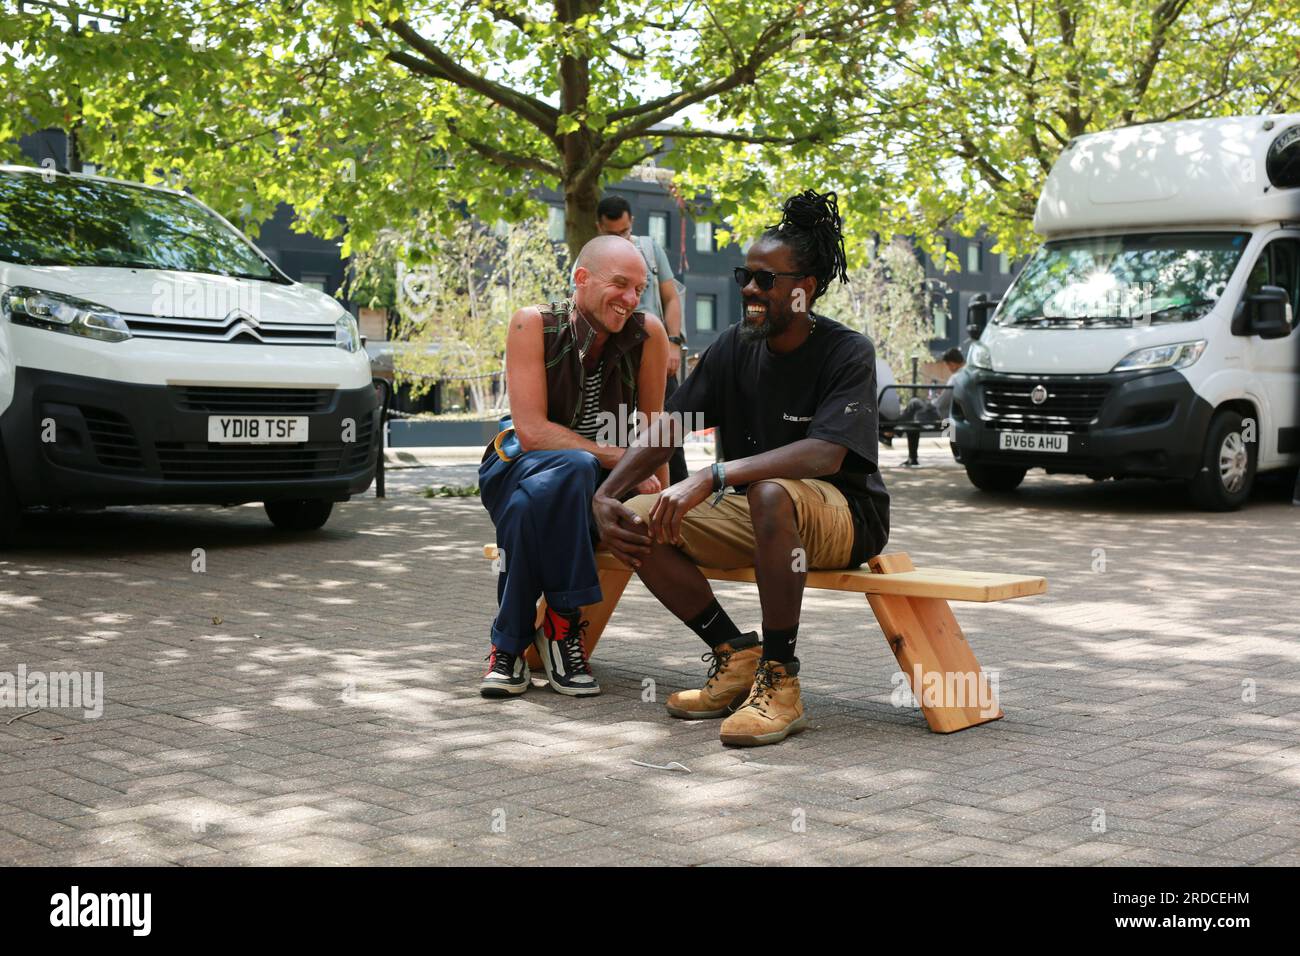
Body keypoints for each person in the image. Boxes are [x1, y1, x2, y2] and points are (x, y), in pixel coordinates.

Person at [591, 189, 890, 747]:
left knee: (770, 491)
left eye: (765, 280)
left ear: (805, 288)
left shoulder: (847, 352)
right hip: (758, 511)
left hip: (844, 515)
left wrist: (714, 475)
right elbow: (671, 427)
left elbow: (827, 453)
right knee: (636, 516)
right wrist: (606, 493)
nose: (749, 289)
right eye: (744, 276)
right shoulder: (734, 346)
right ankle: (734, 653)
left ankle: (781, 682)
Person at [479, 236, 670, 699]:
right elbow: (534, 434)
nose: (630, 299)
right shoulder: (534, 324)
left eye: (638, 290)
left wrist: (661, 499)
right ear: (581, 279)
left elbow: (655, 428)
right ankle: (564, 632)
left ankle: (509, 643)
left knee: (536, 506)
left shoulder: (649, 335)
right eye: (620, 284)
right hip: (517, 466)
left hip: (594, 490)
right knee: (573, 466)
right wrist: (625, 460)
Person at [595, 195, 689, 485]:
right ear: (599, 227)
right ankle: (621, 493)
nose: (620, 239)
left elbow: (671, 297)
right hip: (614, 355)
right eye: (612, 234)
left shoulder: (649, 249)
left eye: (624, 232)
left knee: (667, 428)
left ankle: (679, 493)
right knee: (614, 428)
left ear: (631, 223)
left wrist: (674, 342)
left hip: (656, 348)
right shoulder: (590, 258)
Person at [893, 347, 966, 467]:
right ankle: (909, 453)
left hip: (941, 416)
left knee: (914, 403)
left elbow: (942, 403)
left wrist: (932, 402)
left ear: (952, 364)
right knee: (912, 418)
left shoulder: (956, 377)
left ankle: (894, 430)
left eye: (947, 365)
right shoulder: (965, 375)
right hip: (950, 414)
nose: (948, 368)